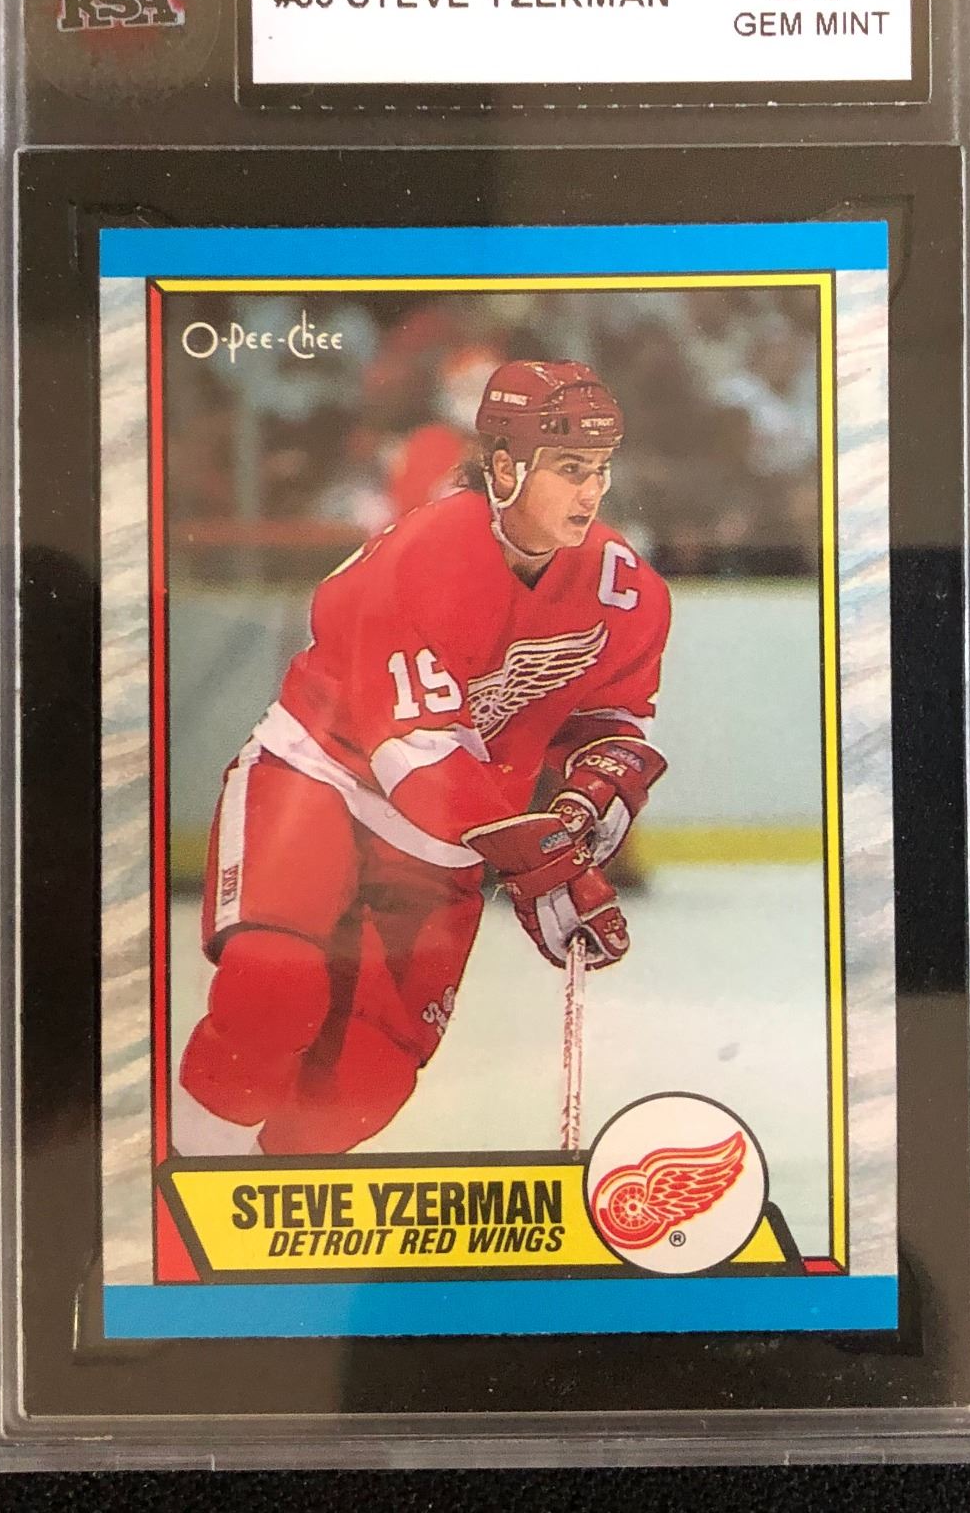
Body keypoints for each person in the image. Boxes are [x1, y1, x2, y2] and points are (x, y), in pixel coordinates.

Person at [178, 360, 672, 1155]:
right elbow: (418, 756)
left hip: (448, 844)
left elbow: (613, 719)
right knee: (272, 992)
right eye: (569, 469)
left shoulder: (625, 586)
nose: (591, 492)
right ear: (505, 469)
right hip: (322, 776)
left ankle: (272, 1199)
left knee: (363, 1085)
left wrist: (587, 803)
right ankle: (175, 1178)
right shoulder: (431, 550)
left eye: (599, 469)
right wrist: (538, 860)